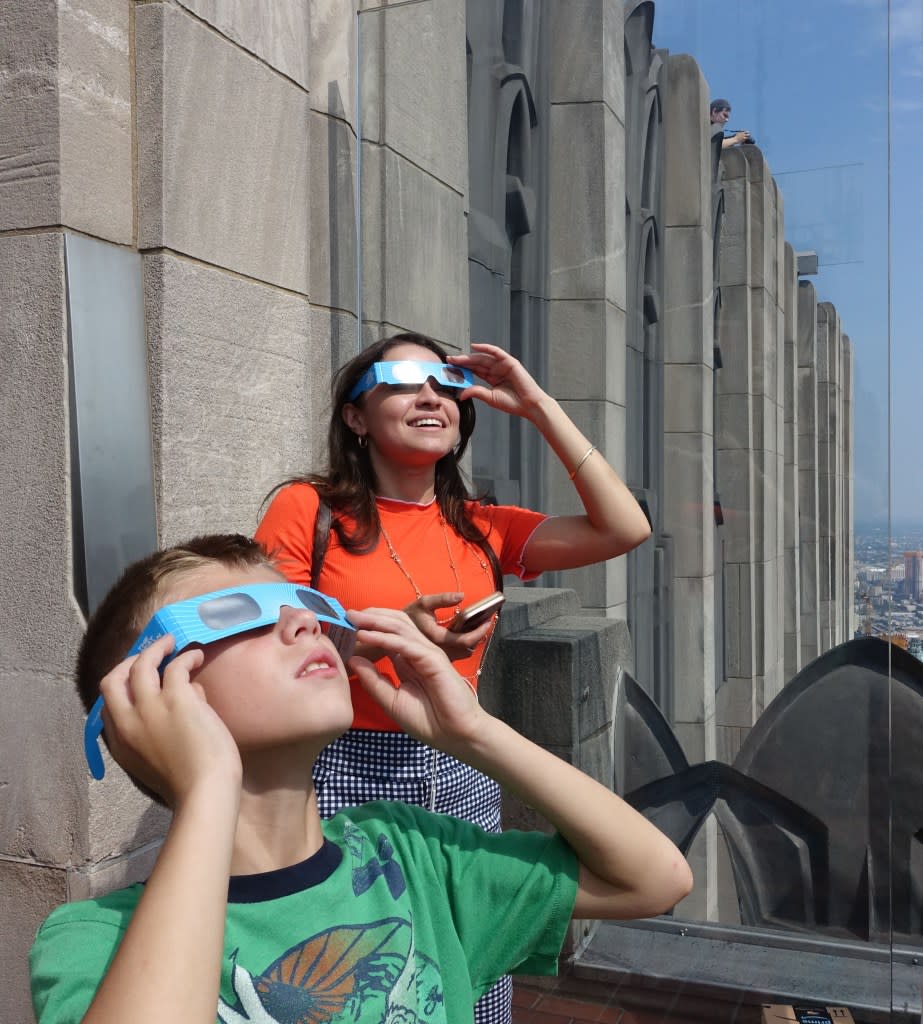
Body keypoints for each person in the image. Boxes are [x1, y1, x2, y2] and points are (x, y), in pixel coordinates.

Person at [30, 533, 693, 1024]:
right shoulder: (95, 938)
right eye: (239, 612)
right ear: (144, 699)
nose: (302, 620)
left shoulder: (413, 856)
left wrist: (473, 733)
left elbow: (654, 879)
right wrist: (207, 787)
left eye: (301, 600)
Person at [255, 332, 652, 1024]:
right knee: (356, 968)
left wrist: (536, 405)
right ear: (356, 416)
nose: (430, 396)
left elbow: (624, 527)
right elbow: (270, 643)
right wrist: (383, 640)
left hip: (460, 764)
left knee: (468, 957)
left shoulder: (480, 526)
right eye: (403, 381)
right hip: (341, 766)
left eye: (444, 385)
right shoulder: (307, 510)